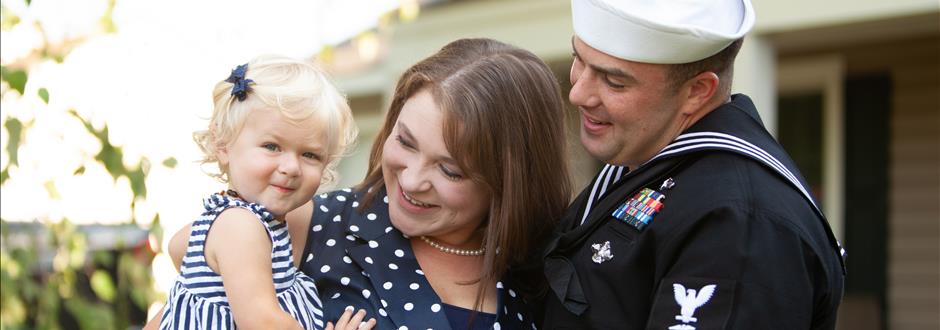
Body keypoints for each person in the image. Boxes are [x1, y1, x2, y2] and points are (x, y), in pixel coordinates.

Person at [542, 0, 846, 328]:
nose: (578, 94)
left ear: (697, 91)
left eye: (614, 82)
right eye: (578, 60)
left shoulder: (739, 224)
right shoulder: (651, 161)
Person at [286, 38, 572, 329]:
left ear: (509, 182)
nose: (411, 181)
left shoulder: (547, 274)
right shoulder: (308, 224)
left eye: (449, 171)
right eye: (405, 142)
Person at [144, 55, 374, 330]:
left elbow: (178, 247)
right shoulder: (241, 224)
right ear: (223, 144)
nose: (291, 167)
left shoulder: (236, 220)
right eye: (272, 146)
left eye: (310, 154)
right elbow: (261, 321)